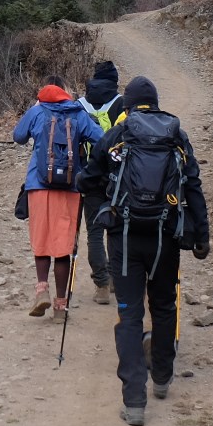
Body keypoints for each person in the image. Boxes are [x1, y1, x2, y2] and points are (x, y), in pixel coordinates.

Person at [79, 75, 210, 426]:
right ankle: (163, 378)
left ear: (129, 103)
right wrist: (202, 236)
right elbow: (193, 185)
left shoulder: (120, 133)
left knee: (130, 313)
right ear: (155, 101)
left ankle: (135, 401)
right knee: (165, 306)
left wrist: (98, 193)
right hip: (166, 236)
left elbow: (89, 177)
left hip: (124, 238)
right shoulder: (176, 134)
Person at [11, 79, 103, 317]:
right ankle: (60, 305)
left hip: (38, 185)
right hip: (70, 188)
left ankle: (41, 289)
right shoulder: (78, 113)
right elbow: (101, 140)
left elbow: (18, 136)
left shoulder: (37, 110)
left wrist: (34, 111)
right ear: (65, 93)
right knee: (63, 245)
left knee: (41, 239)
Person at [76, 61, 121, 304]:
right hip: (118, 178)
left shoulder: (79, 105)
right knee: (115, 230)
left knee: (94, 232)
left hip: (89, 175)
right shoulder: (123, 104)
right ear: (114, 81)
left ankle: (101, 286)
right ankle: (114, 278)